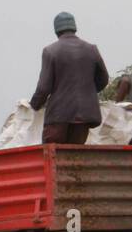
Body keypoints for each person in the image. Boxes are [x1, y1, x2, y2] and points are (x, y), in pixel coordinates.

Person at [29, 12, 109, 144]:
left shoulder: (50, 51)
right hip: (85, 115)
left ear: (56, 30)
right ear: (74, 27)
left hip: (59, 115)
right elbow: (103, 79)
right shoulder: (92, 49)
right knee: (74, 156)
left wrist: (34, 105)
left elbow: (44, 87)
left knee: (53, 155)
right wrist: (87, 92)